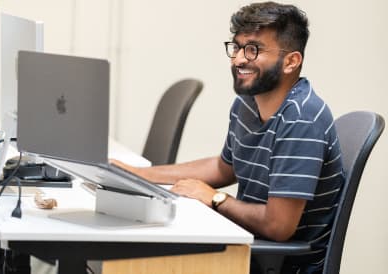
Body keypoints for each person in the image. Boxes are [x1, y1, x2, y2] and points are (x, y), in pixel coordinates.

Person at [114, 1, 344, 273]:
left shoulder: (302, 117)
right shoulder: (248, 103)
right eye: (236, 47)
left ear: (291, 61)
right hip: (246, 246)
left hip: (276, 264)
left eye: (253, 49)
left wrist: (215, 199)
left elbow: (278, 226)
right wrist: (137, 174)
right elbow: (225, 167)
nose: (238, 59)